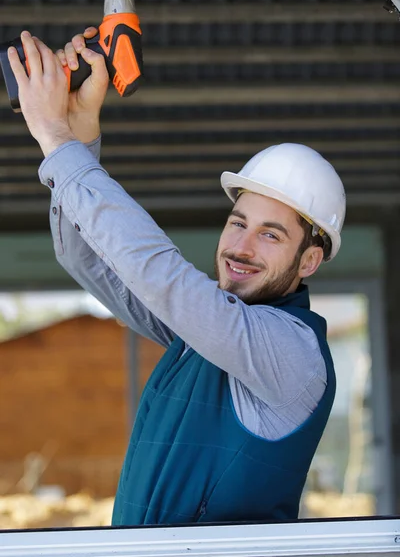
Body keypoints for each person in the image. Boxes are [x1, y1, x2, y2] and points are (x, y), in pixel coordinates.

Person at [9, 29, 346, 527]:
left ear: (309, 261)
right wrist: (80, 136)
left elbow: (163, 277)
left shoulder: (291, 352)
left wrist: (55, 137)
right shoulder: (203, 338)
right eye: (238, 223)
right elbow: (86, 257)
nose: (241, 247)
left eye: (271, 236)